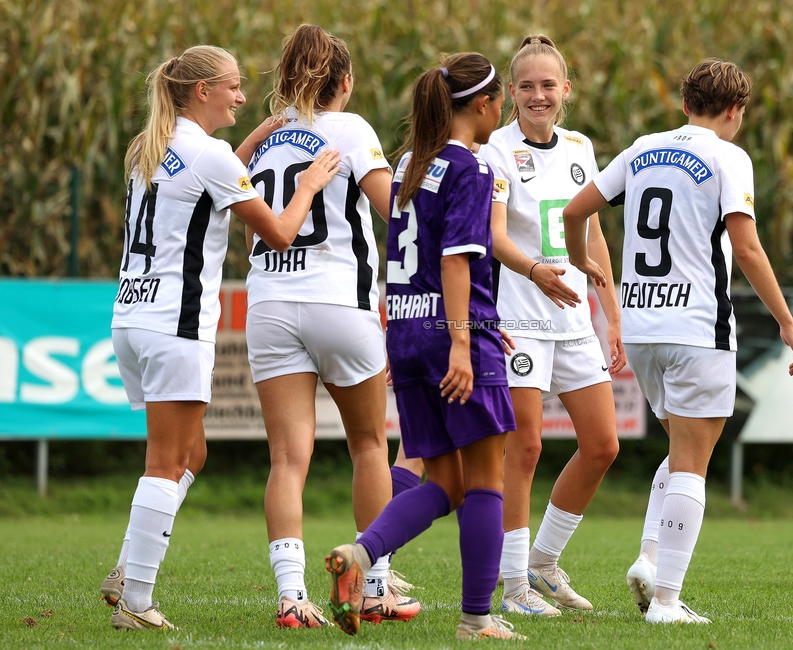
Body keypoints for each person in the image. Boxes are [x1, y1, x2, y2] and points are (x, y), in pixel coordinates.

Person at [103, 44, 340, 631]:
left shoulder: (150, 146)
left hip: (131, 319)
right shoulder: (207, 154)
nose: (241, 94)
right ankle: (134, 600)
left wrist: (259, 134)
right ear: (202, 90)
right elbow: (282, 232)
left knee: (193, 452)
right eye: (234, 86)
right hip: (175, 323)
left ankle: (128, 567)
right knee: (164, 462)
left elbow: (214, 173)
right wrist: (308, 185)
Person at [563, 58, 793, 624]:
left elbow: (577, 211)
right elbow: (746, 249)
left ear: (685, 103)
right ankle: (666, 600)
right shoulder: (728, 156)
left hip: (644, 331)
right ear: (733, 110)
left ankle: (651, 559)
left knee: (680, 452)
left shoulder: (644, 147)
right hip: (698, 328)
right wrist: (788, 324)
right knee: (693, 464)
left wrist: (582, 263)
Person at [324, 52, 526, 642]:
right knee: (488, 480)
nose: (502, 113)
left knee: (445, 483)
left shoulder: (412, 160)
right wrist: (465, 341)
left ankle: (360, 558)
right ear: (483, 105)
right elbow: (456, 258)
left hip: (410, 329)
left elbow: (414, 258)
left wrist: (470, 327)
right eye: (500, 103)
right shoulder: (471, 167)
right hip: (449, 336)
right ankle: (477, 620)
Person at [242, 25, 420, 628]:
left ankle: (292, 597)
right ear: (343, 82)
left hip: (268, 302)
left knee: (287, 460)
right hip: (336, 299)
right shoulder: (349, 128)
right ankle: (375, 585)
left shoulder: (267, 142)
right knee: (369, 445)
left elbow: (252, 230)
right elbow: (393, 210)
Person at [478, 35, 623, 617]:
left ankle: (543, 563)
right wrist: (537, 271)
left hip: (574, 319)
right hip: (518, 317)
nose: (539, 95)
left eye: (549, 85)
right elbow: (492, 236)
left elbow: (590, 234)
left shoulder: (581, 147)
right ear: (511, 92)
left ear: (566, 89)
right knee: (526, 447)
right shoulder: (493, 149)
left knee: (603, 445)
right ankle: (513, 586)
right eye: (527, 86)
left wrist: (610, 313)